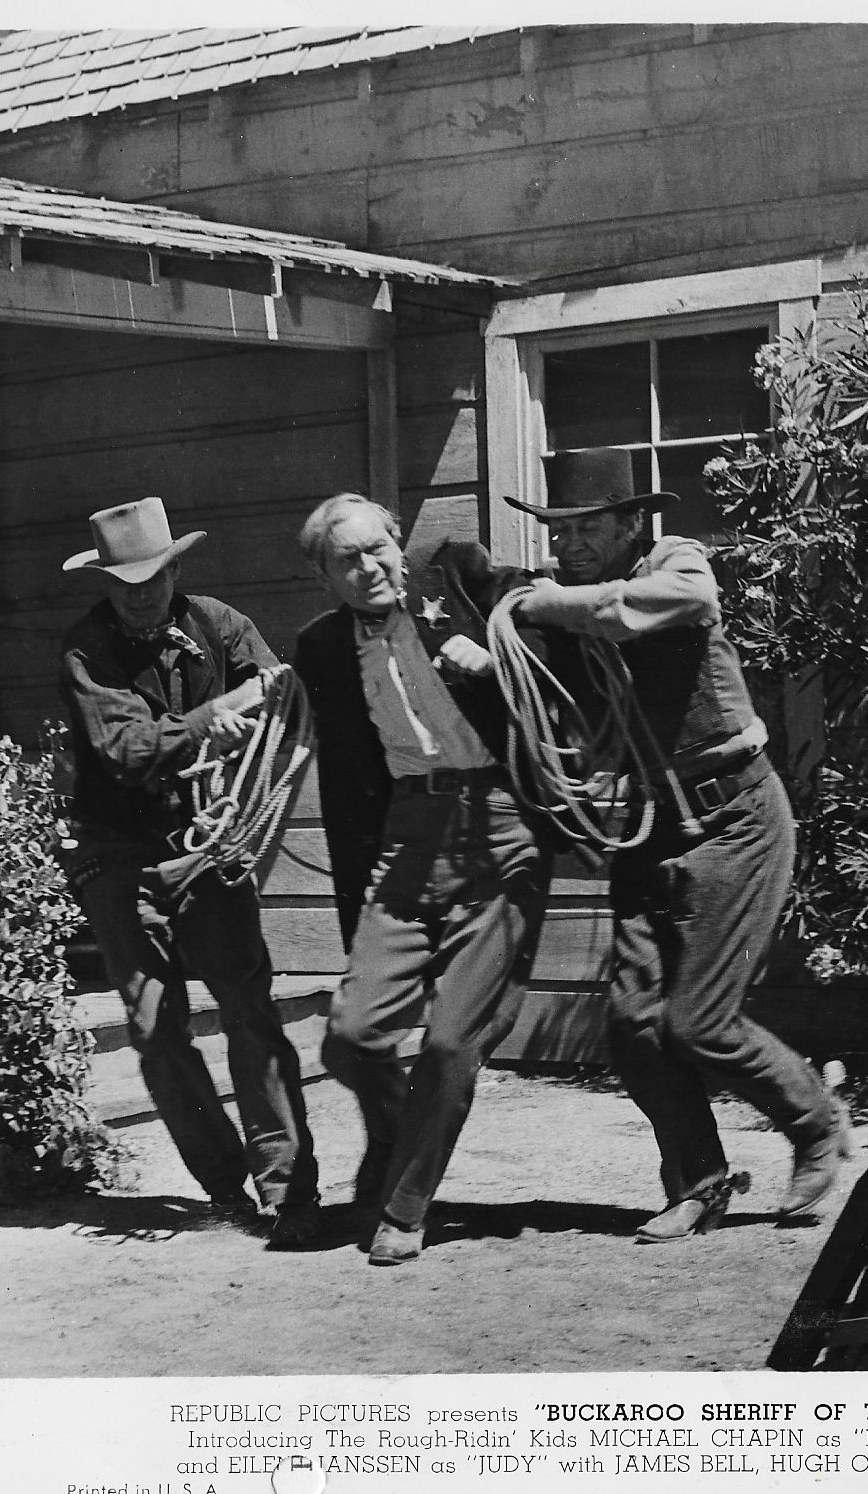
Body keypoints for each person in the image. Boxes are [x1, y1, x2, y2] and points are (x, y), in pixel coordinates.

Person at [508, 447, 848, 1242]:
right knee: (631, 1024)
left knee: (698, 1021)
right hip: (649, 822)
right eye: (560, 532)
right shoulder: (556, 604)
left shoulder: (676, 562)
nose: (571, 545)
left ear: (632, 522)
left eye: (588, 527)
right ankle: (698, 1179)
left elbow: (673, 599)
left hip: (735, 816)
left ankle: (815, 1123)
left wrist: (551, 601)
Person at [292, 493, 553, 1266]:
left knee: (448, 1041)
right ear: (325, 576)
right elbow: (344, 779)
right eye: (348, 559)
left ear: (398, 543)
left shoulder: (467, 582)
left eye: (378, 549)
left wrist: (498, 657)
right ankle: (397, 1132)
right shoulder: (320, 648)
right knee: (349, 1036)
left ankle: (403, 1205)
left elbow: (552, 628)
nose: (369, 567)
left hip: (497, 827)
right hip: (403, 838)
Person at [56, 496, 319, 1248]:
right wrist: (213, 717)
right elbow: (129, 752)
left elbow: (279, 696)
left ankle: (288, 1187)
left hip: (213, 844)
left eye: (155, 577)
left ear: (175, 568)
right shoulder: (87, 651)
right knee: (155, 1028)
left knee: (249, 1009)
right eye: (126, 582)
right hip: (119, 855)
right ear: (104, 583)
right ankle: (223, 1183)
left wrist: (253, 709)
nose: (143, 594)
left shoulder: (220, 625)